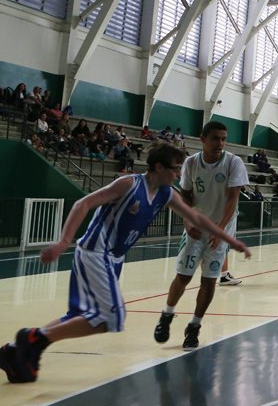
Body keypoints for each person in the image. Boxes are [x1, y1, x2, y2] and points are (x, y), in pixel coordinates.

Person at [0, 144, 251, 384]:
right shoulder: (129, 184)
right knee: (112, 316)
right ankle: (34, 339)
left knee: (78, 316)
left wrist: (231, 240)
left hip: (112, 257)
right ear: (159, 168)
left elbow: (195, 216)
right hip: (96, 252)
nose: (178, 173)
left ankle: (18, 352)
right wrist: (62, 242)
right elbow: (83, 203)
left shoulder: (165, 193)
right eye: (174, 168)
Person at [154, 121, 249, 351]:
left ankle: (194, 326)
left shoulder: (233, 163)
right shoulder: (191, 163)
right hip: (196, 227)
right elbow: (185, 195)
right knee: (183, 276)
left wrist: (222, 230)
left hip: (220, 229)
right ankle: (167, 314)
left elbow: (232, 198)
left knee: (209, 280)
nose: (220, 143)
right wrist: (187, 220)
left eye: (224, 139)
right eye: (215, 138)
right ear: (203, 139)